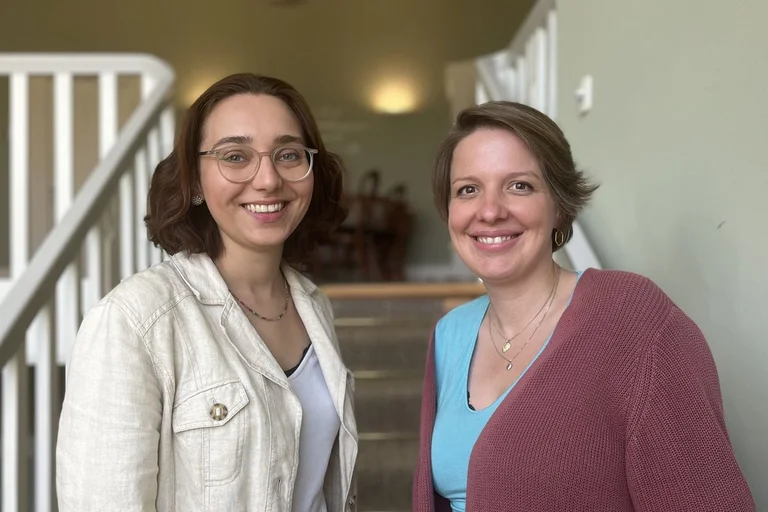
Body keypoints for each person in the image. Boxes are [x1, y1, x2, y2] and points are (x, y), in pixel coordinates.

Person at [412, 101, 756, 511]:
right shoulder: (449, 334)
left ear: (559, 205)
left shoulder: (634, 319)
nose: (489, 211)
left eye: (519, 185)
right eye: (468, 189)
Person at [56, 73, 358, 512]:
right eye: (235, 156)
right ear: (195, 182)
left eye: (288, 154)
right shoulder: (135, 321)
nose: (268, 179)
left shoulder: (314, 306)